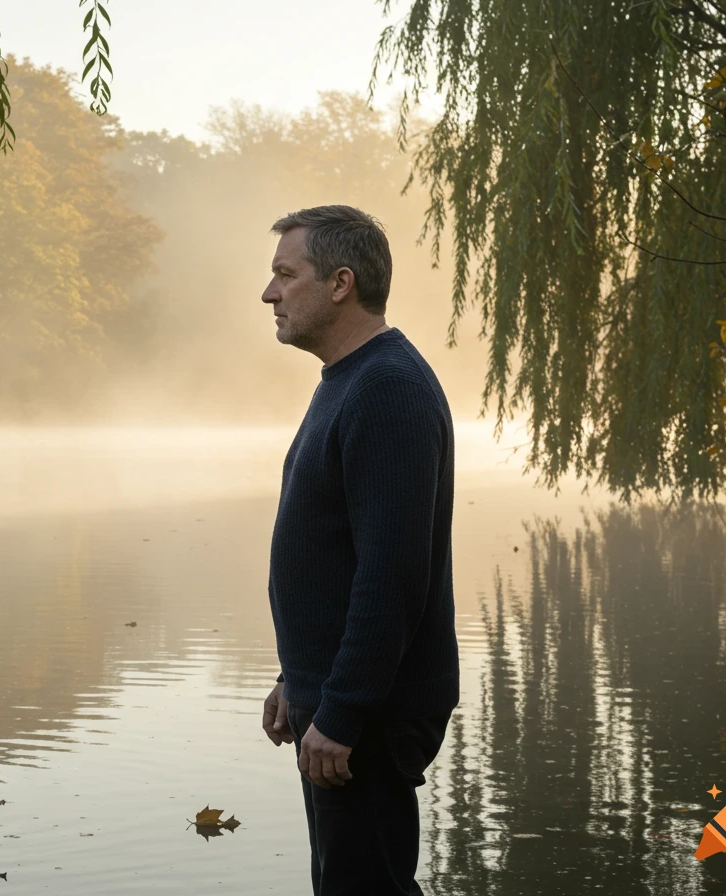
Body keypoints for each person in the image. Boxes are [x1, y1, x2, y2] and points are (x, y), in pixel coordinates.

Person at [259, 205, 459, 896]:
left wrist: (341, 711)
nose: (269, 293)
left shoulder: (389, 390)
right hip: (341, 699)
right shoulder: (350, 380)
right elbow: (336, 555)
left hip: (369, 713)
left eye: (287, 274)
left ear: (341, 283)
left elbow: (392, 576)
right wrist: (300, 678)